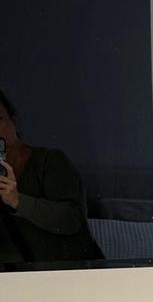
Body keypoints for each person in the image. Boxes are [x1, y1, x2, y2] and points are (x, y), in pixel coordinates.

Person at [0, 88, 104, 268]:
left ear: (14, 122)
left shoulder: (50, 161)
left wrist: (17, 201)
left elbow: (71, 219)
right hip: (16, 284)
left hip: (69, 277)